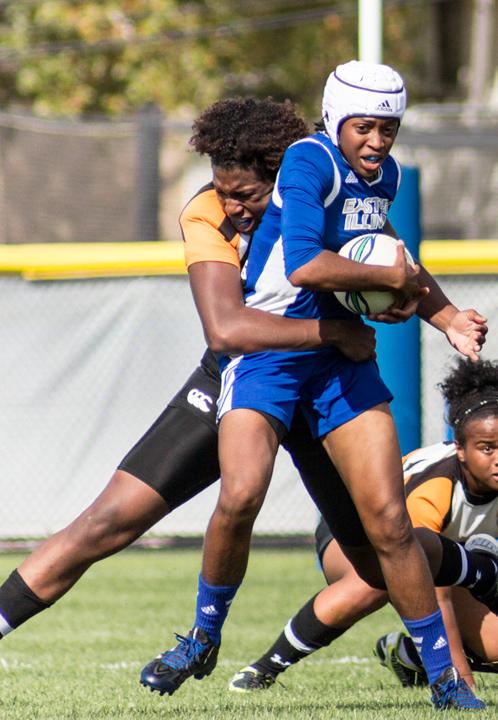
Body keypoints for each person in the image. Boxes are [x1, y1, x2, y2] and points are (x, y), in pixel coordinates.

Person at [141, 60, 488, 711]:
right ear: (335, 119)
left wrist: (446, 319)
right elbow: (303, 265)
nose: (378, 141)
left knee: (388, 520)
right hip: (271, 352)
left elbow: (388, 247)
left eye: (389, 127)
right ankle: (202, 636)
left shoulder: (380, 176)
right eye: (365, 126)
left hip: (339, 360)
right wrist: (388, 283)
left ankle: (446, 681)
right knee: (240, 494)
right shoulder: (308, 161)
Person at [0, 99, 376, 647]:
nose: (231, 206)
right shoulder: (208, 212)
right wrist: (333, 333)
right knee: (107, 521)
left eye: (245, 194)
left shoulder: (328, 194)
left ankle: (463, 603)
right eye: (222, 190)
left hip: (323, 387)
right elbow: (225, 329)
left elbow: (387, 268)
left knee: (385, 551)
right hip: (238, 378)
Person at [229, 357, 498, 695]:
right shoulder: (436, 488)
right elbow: (423, 577)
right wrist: (461, 684)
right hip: (355, 537)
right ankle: (266, 666)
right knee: (383, 577)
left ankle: (408, 655)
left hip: (453, 562)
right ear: (460, 449)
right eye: (487, 448)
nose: (497, 458)